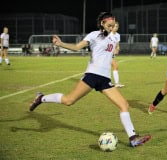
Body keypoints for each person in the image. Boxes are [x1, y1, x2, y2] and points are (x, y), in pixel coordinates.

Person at [29, 12, 151, 147]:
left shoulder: (113, 38)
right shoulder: (94, 35)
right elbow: (76, 47)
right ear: (102, 24)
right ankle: (41, 98)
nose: (111, 28)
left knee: (124, 105)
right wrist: (61, 43)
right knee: (69, 101)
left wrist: (116, 45)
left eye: (113, 25)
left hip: (105, 79)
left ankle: (133, 138)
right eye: (109, 25)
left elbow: (113, 52)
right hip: (92, 75)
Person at [110, 21, 124, 88]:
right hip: (106, 53)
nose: (116, 28)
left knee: (110, 67)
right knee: (115, 66)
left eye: (117, 26)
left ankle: (114, 83)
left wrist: (117, 49)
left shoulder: (118, 35)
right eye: (114, 26)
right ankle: (116, 83)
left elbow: (117, 45)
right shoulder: (108, 34)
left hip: (111, 53)